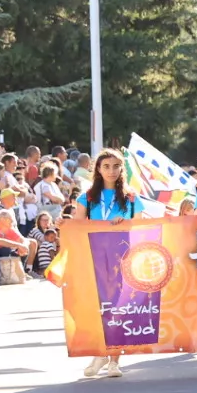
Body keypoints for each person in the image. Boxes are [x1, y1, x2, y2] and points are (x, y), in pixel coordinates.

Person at [76, 150, 139, 380]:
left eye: (116, 166)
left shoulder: (131, 198)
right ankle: (100, 353)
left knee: (118, 307)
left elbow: (143, 226)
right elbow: (77, 227)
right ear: (98, 169)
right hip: (95, 258)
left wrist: (128, 222)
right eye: (106, 166)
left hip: (122, 258)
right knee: (97, 308)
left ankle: (114, 359)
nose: (111, 171)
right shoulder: (88, 197)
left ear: (122, 169)